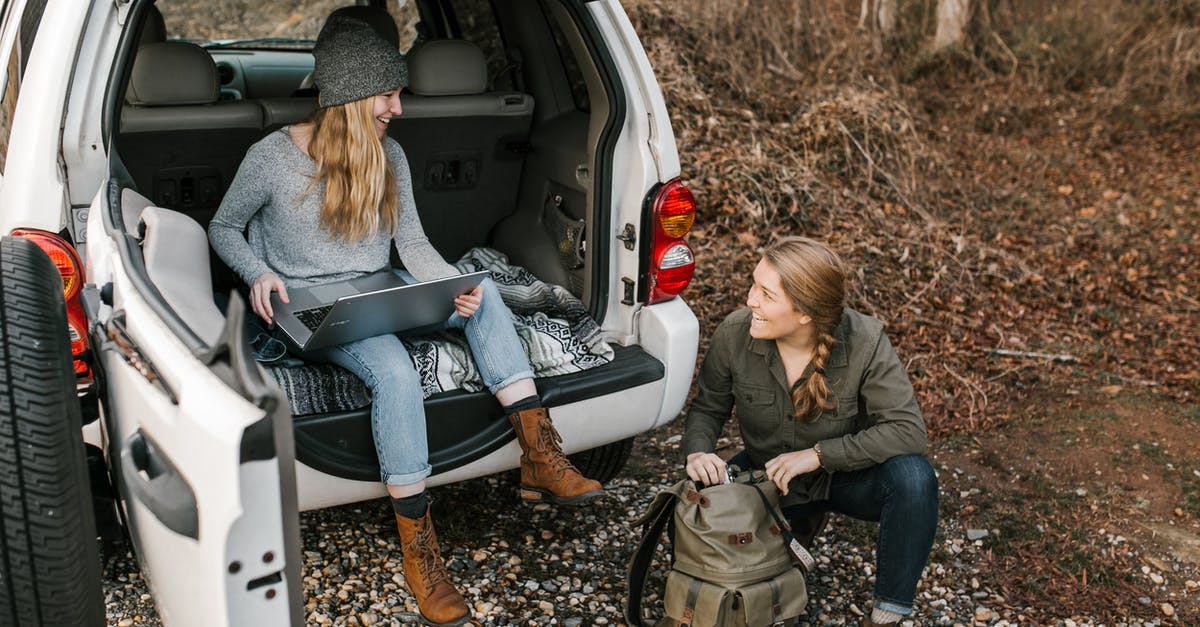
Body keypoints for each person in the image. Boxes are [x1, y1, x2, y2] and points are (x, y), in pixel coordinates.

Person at [208, 16, 603, 626]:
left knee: (484, 290)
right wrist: (259, 273)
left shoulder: (389, 154)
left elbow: (413, 246)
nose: (399, 107)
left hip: (377, 289)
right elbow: (223, 227)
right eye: (388, 94)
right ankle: (423, 556)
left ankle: (540, 453)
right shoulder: (272, 157)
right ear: (349, 95)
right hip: (308, 305)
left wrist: (453, 287)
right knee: (393, 370)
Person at [681, 236, 938, 627]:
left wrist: (817, 455)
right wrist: (698, 453)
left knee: (914, 479)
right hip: (770, 480)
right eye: (753, 285)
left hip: (847, 479)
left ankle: (889, 612)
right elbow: (707, 408)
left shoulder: (866, 340)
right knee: (694, 503)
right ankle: (789, 532)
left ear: (804, 313)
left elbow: (907, 431)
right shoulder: (735, 332)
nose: (750, 300)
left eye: (765, 294)